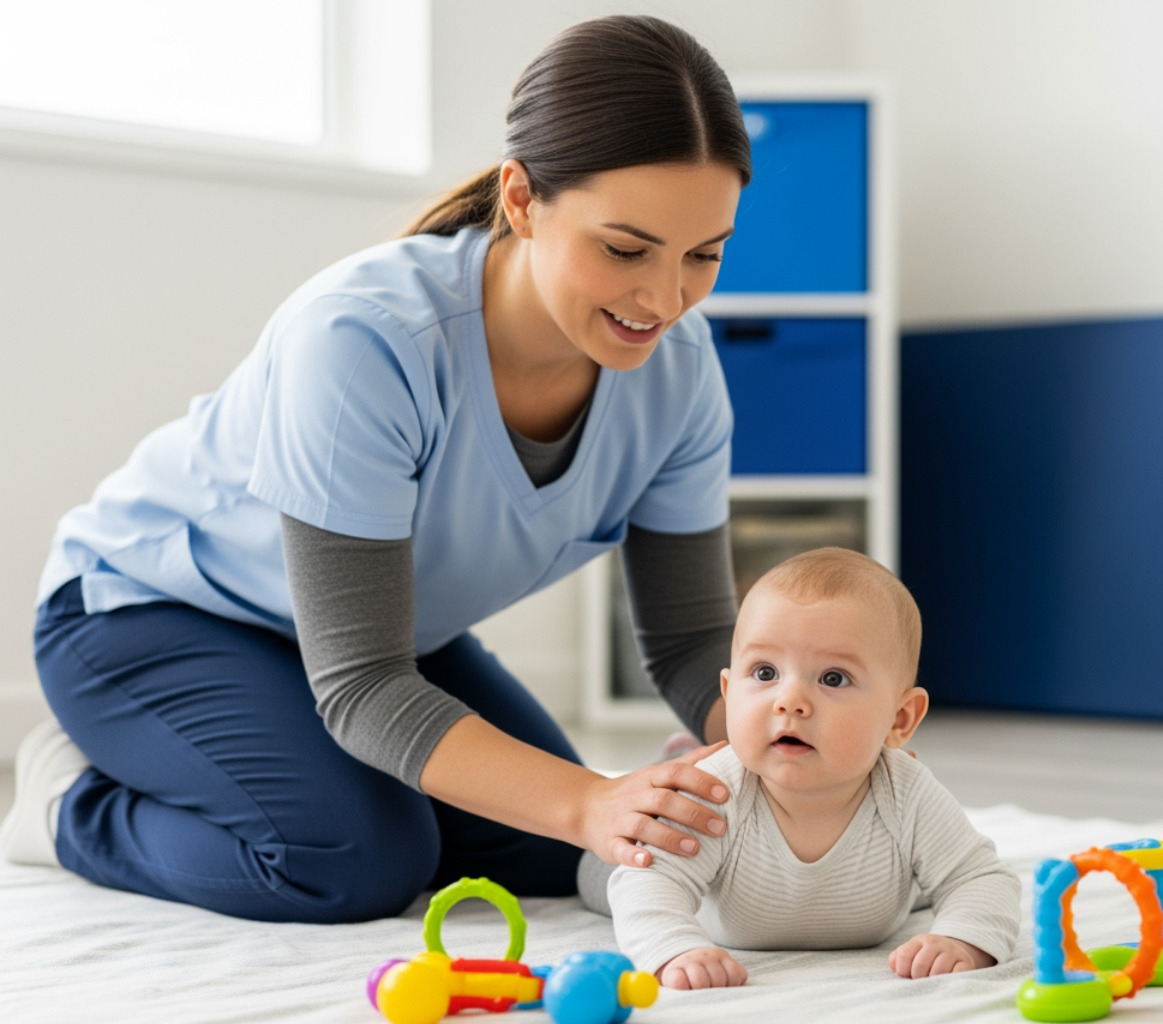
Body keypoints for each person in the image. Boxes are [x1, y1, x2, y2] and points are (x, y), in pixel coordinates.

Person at [0, 15, 752, 924]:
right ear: (521, 199)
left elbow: (691, 643)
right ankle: (66, 803)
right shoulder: (365, 339)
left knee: (559, 849)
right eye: (625, 249)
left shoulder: (681, 375)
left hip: (381, 641)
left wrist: (807, 743)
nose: (665, 298)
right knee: (355, 858)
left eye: (704, 254)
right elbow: (361, 686)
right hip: (147, 615)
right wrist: (589, 799)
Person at [578, 547, 1022, 989]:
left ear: (899, 719)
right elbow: (648, 882)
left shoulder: (907, 793)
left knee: (932, 883)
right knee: (609, 869)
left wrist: (961, 940)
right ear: (729, 694)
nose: (789, 701)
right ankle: (679, 756)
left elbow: (980, 878)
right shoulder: (714, 791)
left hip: (882, 883)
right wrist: (676, 949)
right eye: (765, 672)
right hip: (685, 826)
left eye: (833, 678)